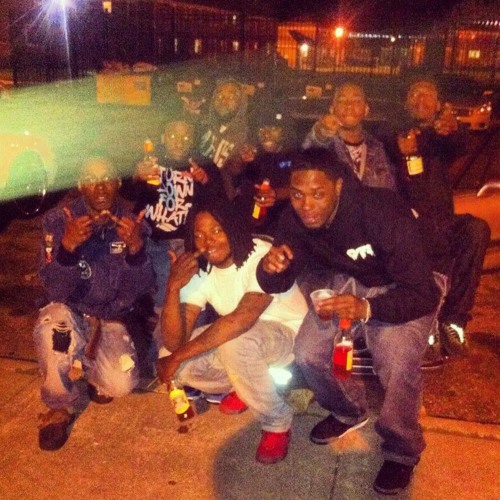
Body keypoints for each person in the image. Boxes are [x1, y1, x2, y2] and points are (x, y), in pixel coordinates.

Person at [256, 149, 441, 494]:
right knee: (308, 352)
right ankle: (348, 412)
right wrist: (269, 269)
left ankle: (402, 449)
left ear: (338, 186)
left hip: (407, 284)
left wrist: (367, 308)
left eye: (318, 194)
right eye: (297, 194)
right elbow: (277, 281)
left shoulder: (382, 212)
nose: (306, 205)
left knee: (396, 360)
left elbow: (423, 293)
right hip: (352, 280)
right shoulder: (294, 220)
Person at [156, 199, 308, 464]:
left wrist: (177, 356)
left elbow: (241, 320)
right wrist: (173, 287)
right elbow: (174, 341)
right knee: (167, 356)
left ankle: (276, 423)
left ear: (233, 228)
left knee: (233, 344)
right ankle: (248, 386)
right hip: (245, 342)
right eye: (199, 235)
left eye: (217, 230)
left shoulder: (260, 256)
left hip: (289, 337)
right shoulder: (201, 269)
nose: (208, 242)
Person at [34, 157, 155, 451]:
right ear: (79, 185)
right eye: (91, 179)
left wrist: (136, 250)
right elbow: (54, 289)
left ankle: (93, 368)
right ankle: (59, 404)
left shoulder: (133, 222)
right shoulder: (57, 221)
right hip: (69, 310)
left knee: (120, 384)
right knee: (54, 329)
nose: (100, 186)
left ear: (118, 182)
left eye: (107, 177)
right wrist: (67, 248)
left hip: (111, 316)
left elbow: (140, 289)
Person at [377, 77, 491, 357]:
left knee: (476, 229)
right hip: (408, 224)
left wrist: (451, 129)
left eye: (428, 95)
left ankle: (454, 320)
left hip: (443, 222)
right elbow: (384, 140)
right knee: (422, 244)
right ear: (406, 103)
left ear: (438, 104)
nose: (421, 100)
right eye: (415, 94)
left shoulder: (440, 137)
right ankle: (427, 322)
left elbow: (463, 144)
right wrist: (401, 146)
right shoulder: (395, 131)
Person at [130, 116, 226, 351]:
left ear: (193, 139)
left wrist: (206, 182)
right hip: (150, 239)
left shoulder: (202, 165)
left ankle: (167, 352)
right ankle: (163, 351)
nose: (179, 141)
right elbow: (127, 195)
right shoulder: (150, 162)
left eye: (185, 136)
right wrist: (136, 177)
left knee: (186, 289)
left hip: (186, 242)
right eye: (173, 135)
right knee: (164, 287)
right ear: (163, 138)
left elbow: (220, 205)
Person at [303, 82, 396, 190]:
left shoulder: (378, 149)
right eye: (342, 101)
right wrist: (322, 131)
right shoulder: (324, 145)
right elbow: (311, 148)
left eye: (356, 101)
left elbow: (391, 190)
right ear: (332, 109)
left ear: (366, 110)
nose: (349, 105)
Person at [234, 97, 297, 237]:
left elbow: (302, 188)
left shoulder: (295, 155)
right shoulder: (253, 154)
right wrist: (241, 160)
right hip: (252, 230)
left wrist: (276, 193)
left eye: (274, 128)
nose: (267, 134)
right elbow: (235, 185)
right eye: (262, 129)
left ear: (284, 131)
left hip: (285, 229)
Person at [197, 78, 254, 200]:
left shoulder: (248, 137)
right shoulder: (201, 127)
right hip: (195, 196)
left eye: (231, 97)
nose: (223, 100)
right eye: (220, 95)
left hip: (223, 200)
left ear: (241, 103)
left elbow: (248, 177)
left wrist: (245, 162)